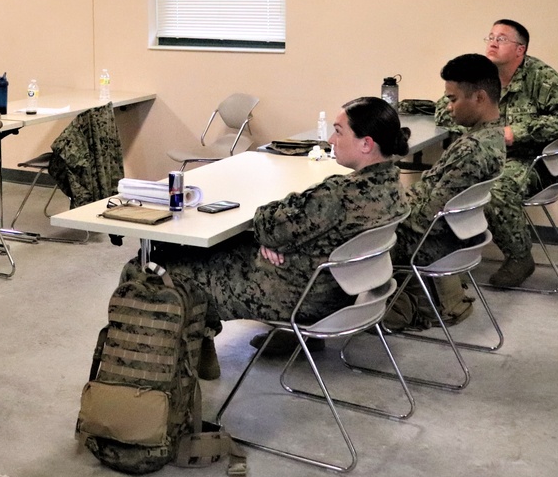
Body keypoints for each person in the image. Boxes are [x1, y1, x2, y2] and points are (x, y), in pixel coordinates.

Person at [123, 96, 409, 379]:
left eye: (339, 131)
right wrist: (274, 240)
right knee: (216, 248)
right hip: (335, 291)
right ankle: (200, 350)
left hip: (293, 294)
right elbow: (282, 230)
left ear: (366, 143)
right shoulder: (392, 186)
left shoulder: (337, 195)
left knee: (151, 267)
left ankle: (145, 379)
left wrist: (271, 237)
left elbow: (266, 223)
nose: (331, 140)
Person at [435, 20, 558, 287]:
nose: (492, 42)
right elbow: (446, 106)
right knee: (445, 184)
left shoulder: (541, 77)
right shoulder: (480, 74)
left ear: (519, 49)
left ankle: (519, 257)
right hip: (484, 155)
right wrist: (477, 130)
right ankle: (446, 258)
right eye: (490, 36)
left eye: (501, 39)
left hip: (528, 161)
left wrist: (517, 132)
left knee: (494, 189)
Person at [396, 54, 505, 267]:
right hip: (455, 236)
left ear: (479, 98)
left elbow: (429, 220)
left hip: (432, 244)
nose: (448, 107)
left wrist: (382, 216)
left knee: (346, 240)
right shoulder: (493, 136)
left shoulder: (471, 150)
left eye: (453, 99)